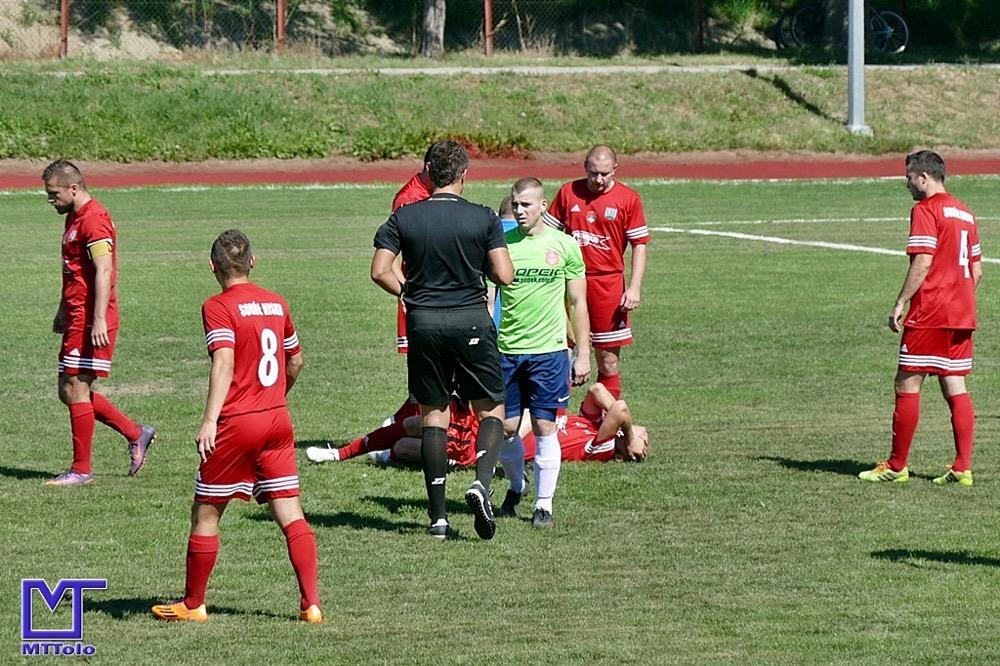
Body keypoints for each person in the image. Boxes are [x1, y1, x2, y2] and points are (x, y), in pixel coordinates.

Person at [152, 230, 322, 624]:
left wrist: (210, 419)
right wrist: (274, 396)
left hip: (236, 423)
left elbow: (224, 361)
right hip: (277, 418)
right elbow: (295, 361)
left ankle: (193, 605)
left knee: (206, 514)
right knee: (291, 514)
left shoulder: (217, 306)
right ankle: (311, 603)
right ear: (253, 262)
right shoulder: (277, 303)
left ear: (212, 267)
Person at [371, 140, 514, 540]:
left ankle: (437, 519)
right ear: (465, 176)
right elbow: (504, 275)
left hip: (424, 323)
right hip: (470, 320)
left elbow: (380, 270)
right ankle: (481, 485)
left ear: (428, 173)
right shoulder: (484, 218)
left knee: (434, 416)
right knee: (492, 411)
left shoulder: (405, 216)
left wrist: (410, 294)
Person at [859, 150, 983, 486]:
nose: (907, 183)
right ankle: (963, 467)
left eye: (909, 177)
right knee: (955, 384)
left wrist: (901, 301)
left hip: (931, 313)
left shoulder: (925, 210)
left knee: (907, 381)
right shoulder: (966, 212)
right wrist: (959, 297)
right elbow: (977, 269)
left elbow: (923, 261)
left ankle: (897, 466)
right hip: (962, 313)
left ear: (924, 178)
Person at [42, 160, 155, 486]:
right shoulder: (75, 218)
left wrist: (98, 319)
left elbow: (104, 270)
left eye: (53, 194)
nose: (50, 200)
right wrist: (63, 308)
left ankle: (81, 469)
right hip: (77, 315)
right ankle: (136, 433)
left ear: (73, 188)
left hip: (91, 319)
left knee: (76, 388)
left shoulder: (95, 220)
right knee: (68, 390)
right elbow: (75, 271)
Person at [496, 177, 591, 529]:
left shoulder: (564, 245)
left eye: (526, 205)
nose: (519, 211)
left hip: (549, 351)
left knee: (544, 424)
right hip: (506, 350)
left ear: (543, 206)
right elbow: (489, 296)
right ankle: (517, 486)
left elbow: (579, 302)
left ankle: (544, 505)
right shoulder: (501, 245)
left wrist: (582, 353)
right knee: (506, 427)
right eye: (515, 204)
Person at [306, 384, 649, 471]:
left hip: (491, 440)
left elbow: (619, 409)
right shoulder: (591, 424)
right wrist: (631, 432)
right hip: (500, 422)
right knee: (413, 427)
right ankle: (344, 452)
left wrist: (630, 435)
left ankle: (361, 452)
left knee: (408, 440)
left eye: (644, 440)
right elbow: (599, 392)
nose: (643, 434)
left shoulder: (600, 448)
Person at [545, 145, 649, 401]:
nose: (599, 180)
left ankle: (601, 424)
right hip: (568, 282)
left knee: (608, 360)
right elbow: (548, 237)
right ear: (585, 167)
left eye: (605, 174)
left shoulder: (628, 199)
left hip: (608, 285)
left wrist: (634, 287)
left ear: (615, 169)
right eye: (593, 173)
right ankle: (558, 422)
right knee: (561, 352)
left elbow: (639, 245)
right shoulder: (568, 193)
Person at [389, 143, 439, 354]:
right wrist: (407, 291)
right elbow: (389, 256)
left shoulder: (436, 191)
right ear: (429, 166)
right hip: (425, 292)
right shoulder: (409, 201)